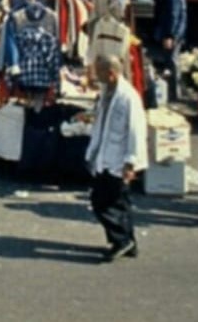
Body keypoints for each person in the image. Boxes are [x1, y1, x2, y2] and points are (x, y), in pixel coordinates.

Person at [85, 54, 147, 261]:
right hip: (105, 156)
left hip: (119, 160)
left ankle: (121, 240)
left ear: (110, 74)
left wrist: (131, 162)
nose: (96, 76)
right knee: (120, 204)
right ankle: (129, 243)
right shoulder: (106, 93)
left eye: (99, 72)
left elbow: (136, 131)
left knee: (101, 202)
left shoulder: (128, 97)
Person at [154, 0, 187, 102]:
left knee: (172, 61)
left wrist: (169, 36)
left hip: (173, 33)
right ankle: (174, 91)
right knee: (172, 61)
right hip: (179, 31)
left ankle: (174, 93)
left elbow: (173, 17)